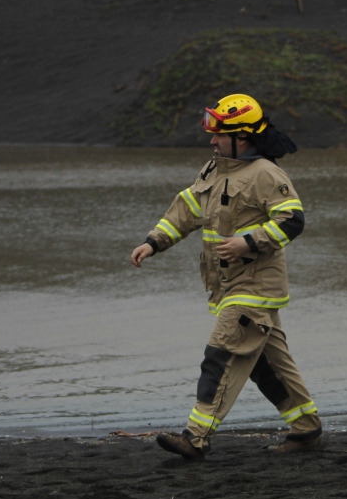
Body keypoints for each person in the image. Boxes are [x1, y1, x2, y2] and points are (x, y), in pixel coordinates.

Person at [129, 93, 323, 459]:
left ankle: (196, 436)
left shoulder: (266, 173)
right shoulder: (213, 168)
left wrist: (247, 242)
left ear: (243, 137)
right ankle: (307, 428)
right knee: (267, 366)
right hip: (226, 288)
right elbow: (186, 210)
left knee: (220, 354)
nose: (212, 140)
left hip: (254, 288)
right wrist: (153, 242)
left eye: (219, 134)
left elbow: (292, 220)